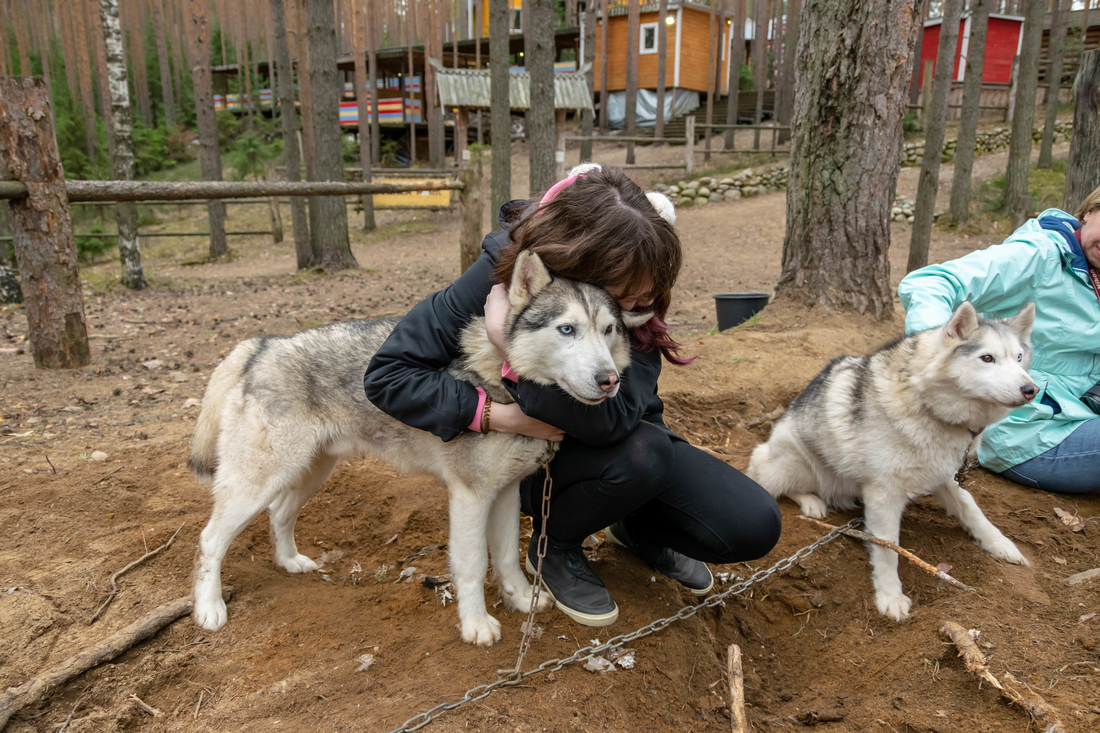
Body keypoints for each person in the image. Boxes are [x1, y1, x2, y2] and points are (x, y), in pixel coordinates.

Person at [364, 164, 782, 627]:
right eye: (627, 289)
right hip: (533, 463)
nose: (643, 302)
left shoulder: (634, 297)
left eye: (649, 289)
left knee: (749, 522)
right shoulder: (501, 273)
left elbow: (616, 419)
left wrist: (507, 344)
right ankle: (555, 546)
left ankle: (633, 526)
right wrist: (495, 415)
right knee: (643, 456)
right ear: (581, 261)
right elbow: (388, 376)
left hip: (617, 444)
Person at [898, 187, 1100, 494]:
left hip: (1082, 411)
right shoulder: (1037, 255)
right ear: (1089, 211)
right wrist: (935, 352)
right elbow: (930, 283)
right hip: (1028, 429)